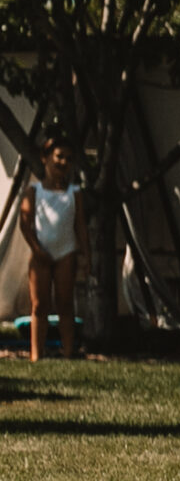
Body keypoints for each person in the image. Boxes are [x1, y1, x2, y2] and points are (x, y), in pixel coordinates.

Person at [17, 138, 84, 361]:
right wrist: (37, 250)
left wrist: (86, 255)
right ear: (45, 159)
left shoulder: (74, 192)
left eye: (68, 158)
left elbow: (80, 226)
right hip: (40, 253)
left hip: (66, 252)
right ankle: (36, 353)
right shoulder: (34, 191)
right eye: (59, 156)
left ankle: (67, 351)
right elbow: (25, 224)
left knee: (65, 303)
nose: (63, 162)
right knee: (39, 304)